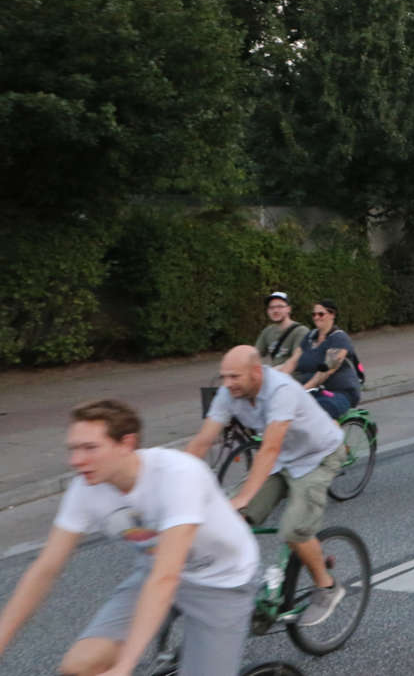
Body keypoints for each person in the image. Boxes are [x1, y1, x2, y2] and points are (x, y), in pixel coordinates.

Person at [0, 400, 259, 676]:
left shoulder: (177, 474)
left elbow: (166, 577)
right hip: (153, 571)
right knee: (80, 666)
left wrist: (125, 665)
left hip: (221, 580)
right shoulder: (85, 487)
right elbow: (45, 569)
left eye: (90, 448)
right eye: (73, 449)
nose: (76, 460)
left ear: (126, 443)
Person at [185, 346, 348, 624]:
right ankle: (244, 584)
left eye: (234, 376)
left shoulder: (281, 390)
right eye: (224, 376)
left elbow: (270, 447)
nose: (227, 383)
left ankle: (327, 587)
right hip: (283, 460)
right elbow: (203, 441)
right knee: (231, 519)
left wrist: (244, 497)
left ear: (256, 372)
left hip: (318, 457)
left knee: (294, 529)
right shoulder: (229, 393)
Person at [279, 299, 361, 420]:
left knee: (319, 414)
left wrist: (302, 390)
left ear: (332, 315)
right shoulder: (311, 336)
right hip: (314, 390)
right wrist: (275, 379)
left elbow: (325, 372)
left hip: (339, 392)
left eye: (321, 314)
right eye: (314, 314)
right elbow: (293, 361)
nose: (316, 317)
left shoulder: (339, 338)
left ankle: (331, 433)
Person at [254, 290, 307, 370]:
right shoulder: (267, 331)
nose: (275, 311)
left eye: (280, 307)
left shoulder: (300, 331)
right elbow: (254, 355)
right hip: (274, 374)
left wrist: (271, 372)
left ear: (289, 309)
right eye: (271, 308)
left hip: (293, 376)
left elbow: (297, 361)